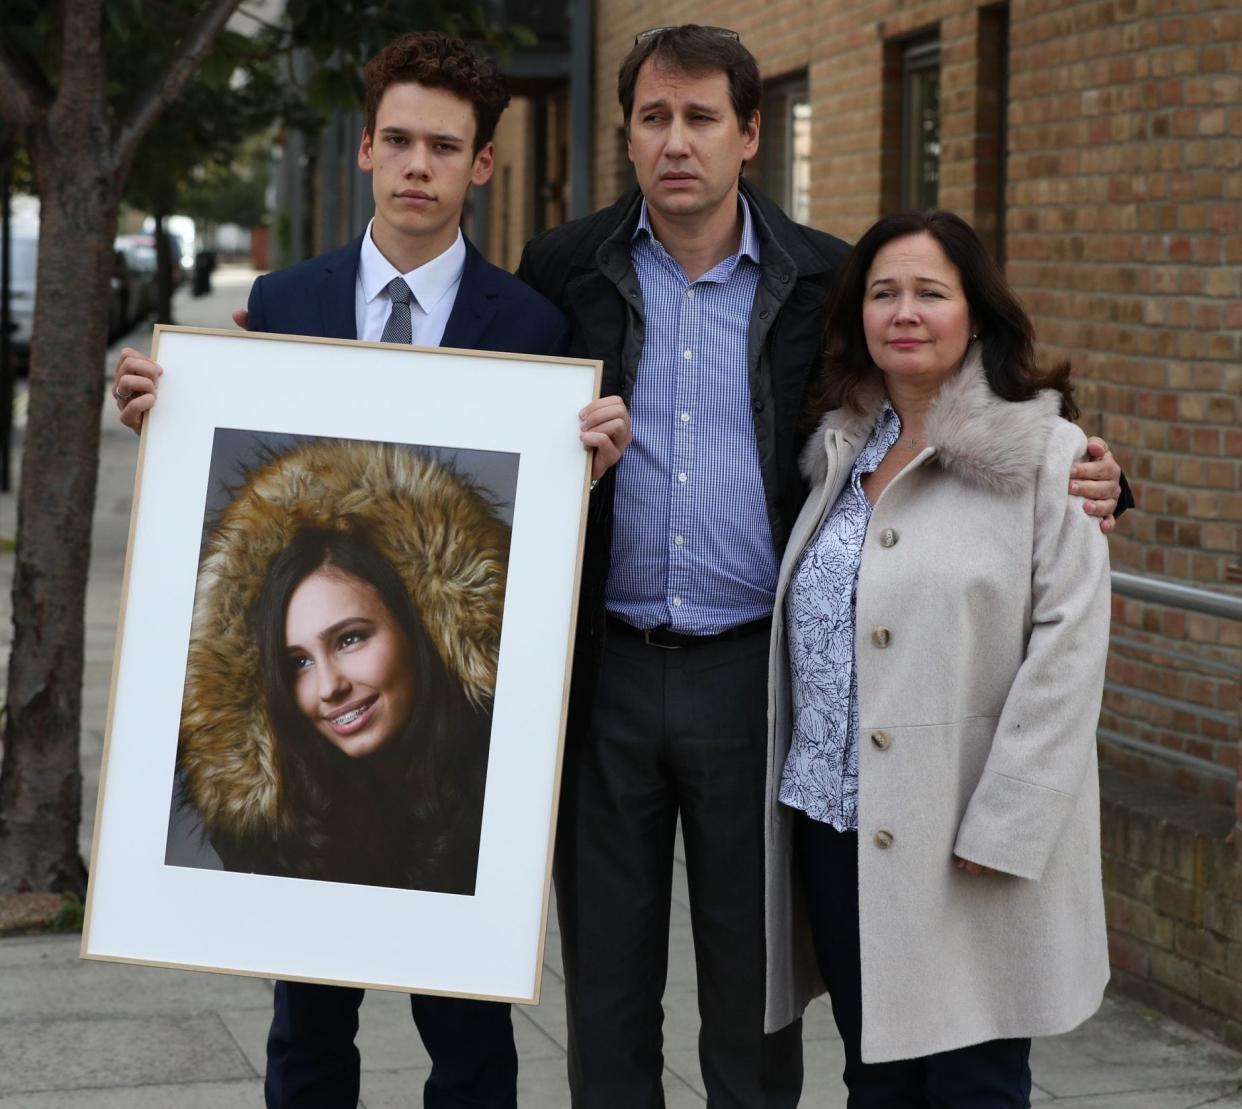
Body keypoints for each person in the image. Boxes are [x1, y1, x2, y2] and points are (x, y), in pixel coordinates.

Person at [517, 24, 1126, 1109]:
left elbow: (947, 406)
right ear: (627, 134)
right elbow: (486, 422)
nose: (676, 141)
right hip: (604, 668)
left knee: (754, 993)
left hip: (756, 683)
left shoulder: (825, 275)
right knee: (605, 988)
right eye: (653, 117)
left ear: (750, 133)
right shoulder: (564, 270)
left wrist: (1095, 476)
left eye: (702, 117)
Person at [114, 30, 630, 1109]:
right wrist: (166, 414)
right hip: (321, 739)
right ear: (362, 149)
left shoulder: (535, 328)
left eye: (444, 147)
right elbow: (227, 481)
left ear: (482, 164)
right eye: (397, 140)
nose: (416, 166)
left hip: (456, 743)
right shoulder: (286, 299)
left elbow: (531, 538)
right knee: (307, 1018)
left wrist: (587, 468)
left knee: (470, 1026)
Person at [763, 210, 1112, 1107]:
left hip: (964, 835)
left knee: (974, 1084)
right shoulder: (839, 448)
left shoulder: (1047, 455)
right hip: (838, 828)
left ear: (976, 315)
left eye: (929, 292)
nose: (904, 311)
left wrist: (1009, 823)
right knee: (873, 1078)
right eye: (883, 293)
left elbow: (1070, 651)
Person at [177, 442, 509, 896]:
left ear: (418, 627)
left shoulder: (510, 772)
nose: (329, 686)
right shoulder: (277, 827)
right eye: (298, 663)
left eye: (350, 638)